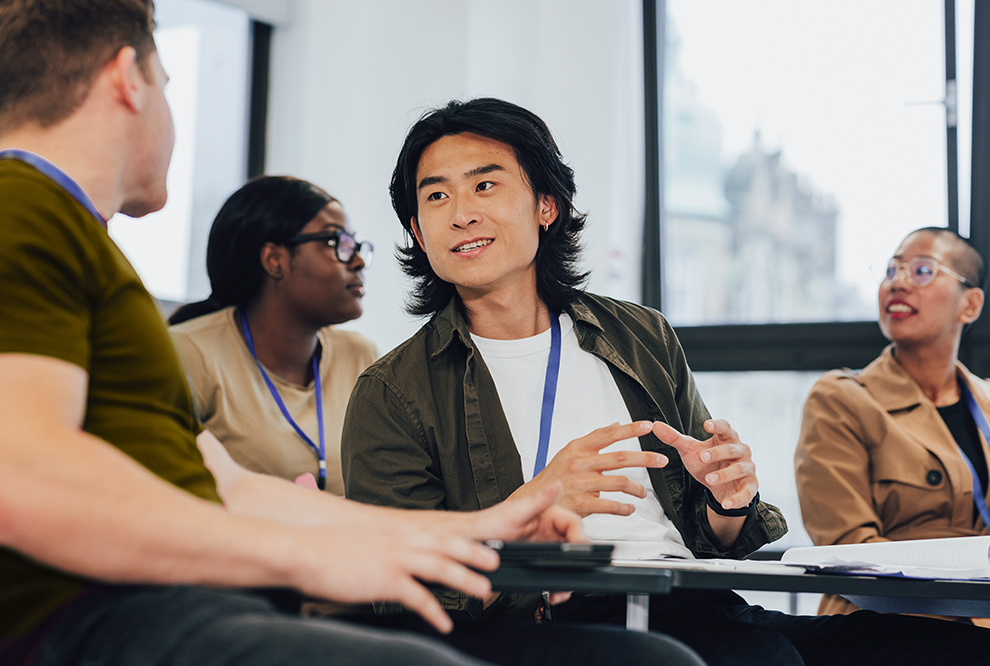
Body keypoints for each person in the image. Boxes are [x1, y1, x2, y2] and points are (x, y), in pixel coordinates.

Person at [0, 4, 707, 666]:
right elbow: (22, 476)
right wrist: (308, 559)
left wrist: (477, 526)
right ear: (128, 80)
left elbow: (229, 488)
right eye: (168, 83)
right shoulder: (25, 209)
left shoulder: (70, 237)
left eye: (486, 188)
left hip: (166, 606)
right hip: (99, 618)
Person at [341, 97, 990, 666]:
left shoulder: (638, 335)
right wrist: (533, 509)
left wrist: (727, 502)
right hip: (543, 623)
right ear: (418, 233)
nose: (460, 213)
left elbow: (711, 536)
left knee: (957, 650)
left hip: (696, 607)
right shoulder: (393, 391)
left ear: (546, 205)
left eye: (485, 186)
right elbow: (392, 589)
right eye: (436, 196)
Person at [796, 227, 990, 624]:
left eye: (922, 271)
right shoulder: (841, 399)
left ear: (969, 305)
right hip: (882, 622)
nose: (898, 283)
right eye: (891, 270)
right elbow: (850, 553)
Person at [169, 176, 377, 495]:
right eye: (339, 243)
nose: (359, 260)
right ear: (274, 260)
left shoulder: (360, 357)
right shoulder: (189, 352)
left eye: (356, 245)